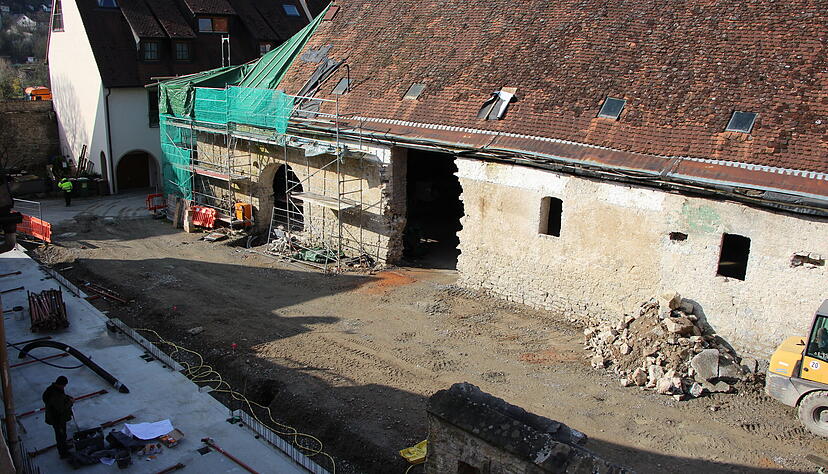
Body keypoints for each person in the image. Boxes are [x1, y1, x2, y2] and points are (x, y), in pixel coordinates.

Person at [42, 376, 73, 459]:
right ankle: (63, 453)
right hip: (57, 419)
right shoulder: (54, 394)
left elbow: (62, 397)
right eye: (64, 385)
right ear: (60, 384)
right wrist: (70, 402)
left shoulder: (54, 389)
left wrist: (67, 397)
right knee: (60, 436)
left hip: (58, 418)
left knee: (63, 435)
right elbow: (61, 408)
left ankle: (64, 447)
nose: (64, 387)